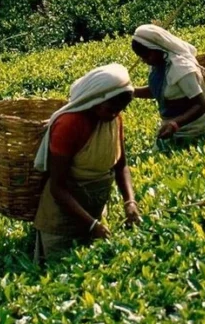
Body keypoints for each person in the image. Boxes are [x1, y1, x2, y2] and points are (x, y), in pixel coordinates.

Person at [33, 64, 140, 260]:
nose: (115, 114)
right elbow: (57, 187)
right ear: (95, 101)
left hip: (94, 210)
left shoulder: (114, 120)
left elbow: (121, 164)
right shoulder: (70, 124)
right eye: (111, 109)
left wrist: (130, 201)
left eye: (121, 110)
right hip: (62, 221)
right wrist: (91, 225)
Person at [131, 24, 205, 144]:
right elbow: (158, 90)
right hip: (170, 126)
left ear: (157, 48)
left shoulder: (181, 68)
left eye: (147, 56)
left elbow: (200, 105)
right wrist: (130, 91)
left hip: (194, 126)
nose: (144, 61)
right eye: (141, 57)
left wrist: (175, 124)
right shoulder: (157, 65)